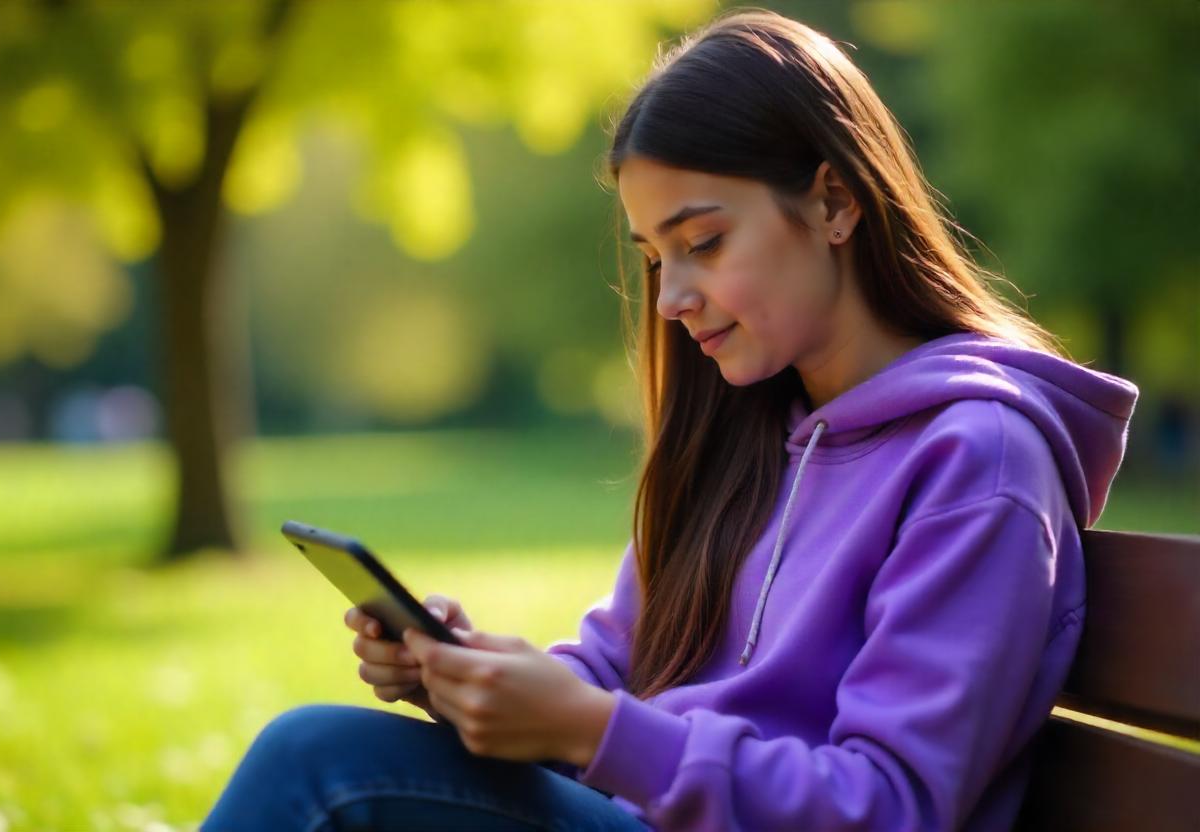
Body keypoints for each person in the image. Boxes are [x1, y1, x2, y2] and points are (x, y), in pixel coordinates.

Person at [200, 7, 1140, 831]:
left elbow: (889, 806)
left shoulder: (977, 463)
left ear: (836, 202)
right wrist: (473, 679)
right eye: (656, 258)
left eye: (704, 242)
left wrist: (589, 732)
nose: (672, 299)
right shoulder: (745, 438)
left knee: (318, 764)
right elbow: (615, 671)